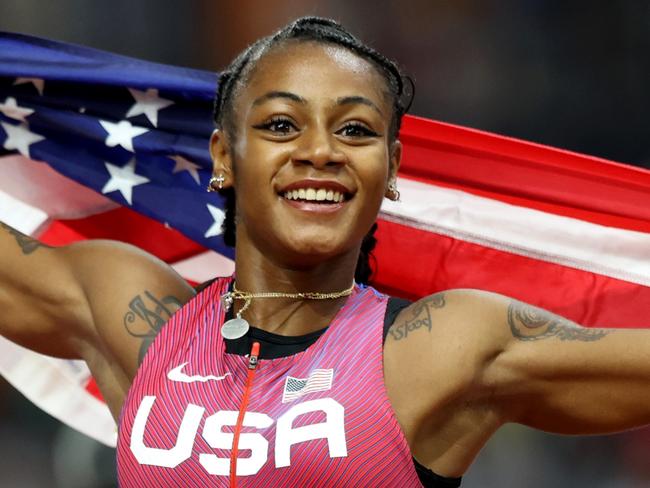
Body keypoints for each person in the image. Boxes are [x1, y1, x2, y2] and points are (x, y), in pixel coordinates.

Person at [1, 16, 649, 488]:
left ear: (390, 168)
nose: (321, 150)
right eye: (281, 124)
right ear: (224, 157)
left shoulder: (441, 349)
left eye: (356, 129)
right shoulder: (130, 318)